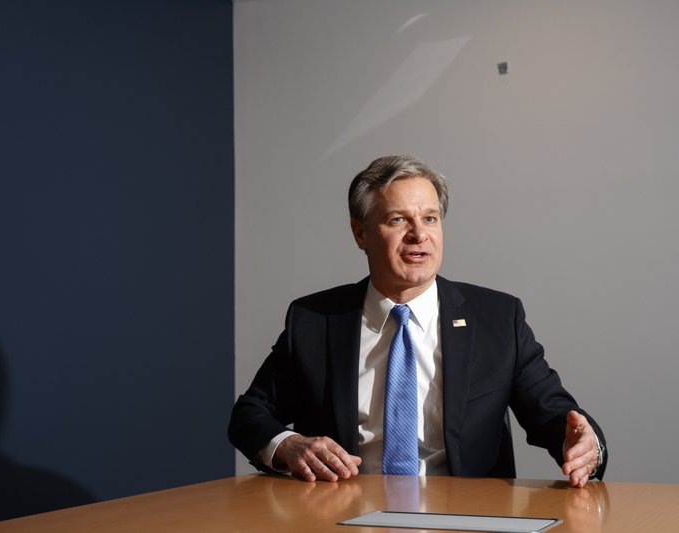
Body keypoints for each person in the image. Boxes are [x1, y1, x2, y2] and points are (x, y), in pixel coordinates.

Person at [228, 154, 607, 488]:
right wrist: (289, 445)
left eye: (430, 218)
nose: (419, 235)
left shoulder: (497, 319)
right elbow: (249, 416)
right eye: (399, 220)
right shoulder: (315, 320)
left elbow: (555, 416)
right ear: (360, 233)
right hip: (343, 516)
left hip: (468, 518)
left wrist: (583, 445)